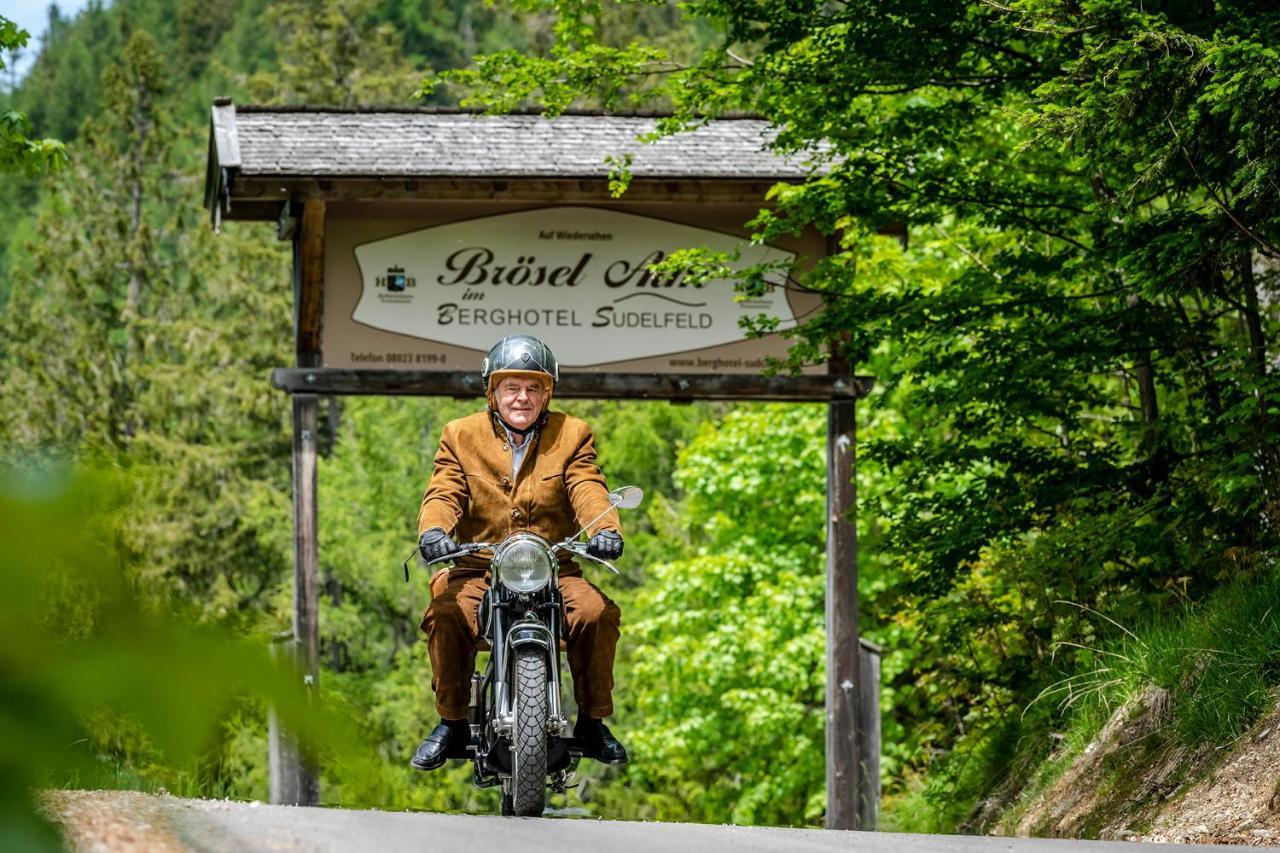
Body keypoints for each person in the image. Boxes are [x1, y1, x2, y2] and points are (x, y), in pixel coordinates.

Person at [411, 334, 628, 772]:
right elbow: (444, 490)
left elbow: (587, 486)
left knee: (595, 613)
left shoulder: (572, 434)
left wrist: (605, 528)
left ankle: (592, 720)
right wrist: (435, 530)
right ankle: (451, 721)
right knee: (447, 614)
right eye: (511, 387)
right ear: (492, 391)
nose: (522, 398)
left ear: (548, 393)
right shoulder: (460, 435)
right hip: (478, 566)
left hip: (553, 566)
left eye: (534, 388)